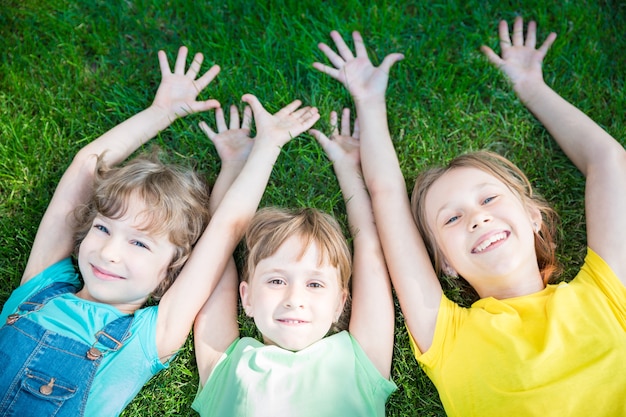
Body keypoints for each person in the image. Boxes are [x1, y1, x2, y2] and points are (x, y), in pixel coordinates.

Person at [314, 17, 626, 417]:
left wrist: (532, 86)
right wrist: (369, 102)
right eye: (451, 220)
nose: (477, 219)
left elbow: (609, 161)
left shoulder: (606, 293)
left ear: (533, 216)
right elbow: (388, 196)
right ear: (444, 263)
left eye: (490, 198)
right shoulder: (445, 335)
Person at [0, 43, 317, 416]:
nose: (109, 252)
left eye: (139, 242)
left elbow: (226, 230)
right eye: (103, 228)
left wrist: (268, 146)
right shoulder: (41, 284)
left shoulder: (148, 338)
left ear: (171, 271)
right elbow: (86, 168)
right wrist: (161, 112)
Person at [192, 108, 396, 417]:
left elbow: (370, 249)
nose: (294, 299)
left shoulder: (361, 362)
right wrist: (244, 160)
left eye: (315, 283)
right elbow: (217, 244)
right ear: (246, 296)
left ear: (340, 303)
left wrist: (348, 166)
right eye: (276, 280)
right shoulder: (224, 366)